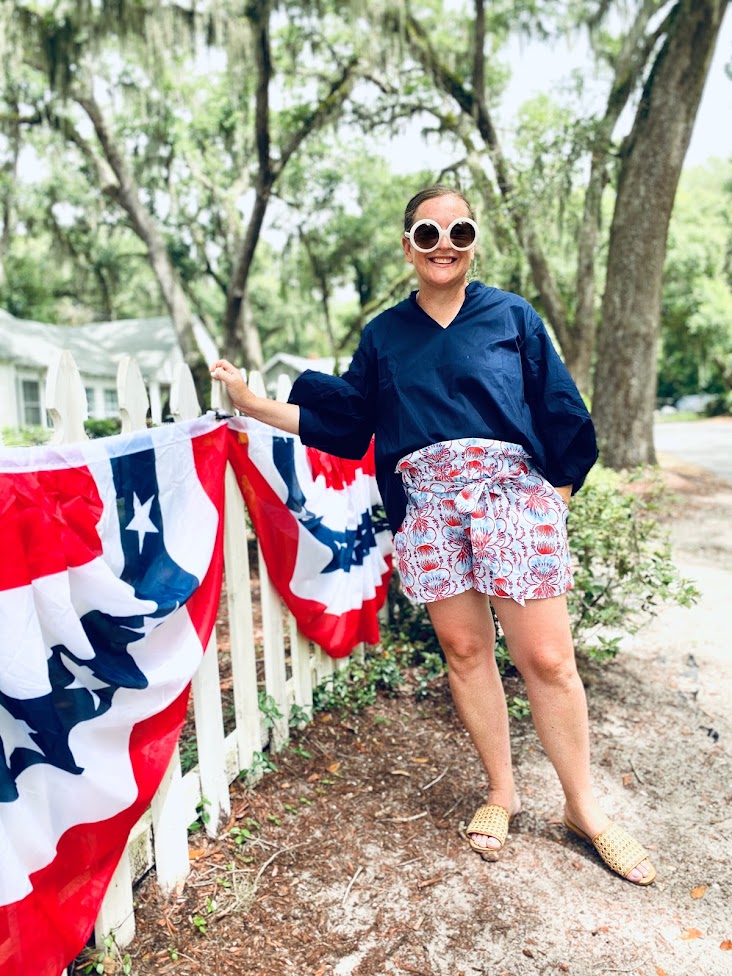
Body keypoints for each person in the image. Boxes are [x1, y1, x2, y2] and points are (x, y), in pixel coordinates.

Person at [211, 185, 656, 886]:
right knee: (466, 650)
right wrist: (251, 402)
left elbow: (561, 408)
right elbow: (346, 422)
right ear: (408, 245)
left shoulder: (511, 316)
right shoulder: (385, 335)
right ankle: (502, 793)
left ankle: (583, 809)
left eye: (458, 231)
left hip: (513, 496)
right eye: (428, 233)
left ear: (473, 240)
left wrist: (555, 498)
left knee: (546, 658)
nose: (443, 244)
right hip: (429, 505)